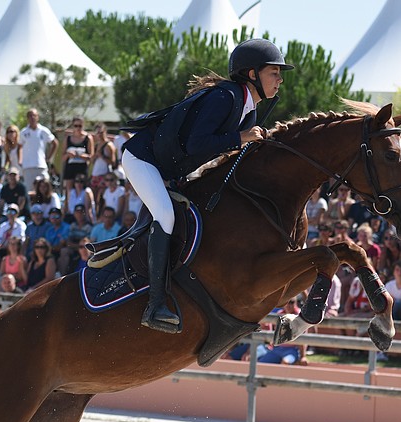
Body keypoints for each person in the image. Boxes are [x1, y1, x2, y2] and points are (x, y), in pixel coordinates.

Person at [121, 38, 294, 333]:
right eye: (273, 73)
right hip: (143, 159)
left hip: (173, 168)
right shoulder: (225, 98)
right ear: (252, 74)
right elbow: (196, 143)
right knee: (166, 215)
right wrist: (242, 138)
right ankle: (155, 304)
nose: (279, 80)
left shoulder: (248, 110)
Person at [19, 108, 58, 186]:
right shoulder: (23, 132)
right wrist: (20, 160)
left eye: (34, 115)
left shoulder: (44, 131)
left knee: (44, 189)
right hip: (28, 166)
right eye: (30, 116)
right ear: (27, 118)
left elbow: (55, 143)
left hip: (41, 165)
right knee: (29, 190)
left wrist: (49, 158)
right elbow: (19, 146)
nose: (32, 117)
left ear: (37, 117)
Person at [62, 116, 93, 197]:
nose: (78, 128)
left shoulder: (88, 138)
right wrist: (69, 154)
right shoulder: (68, 138)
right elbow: (63, 157)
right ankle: (68, 207)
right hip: (70, 168)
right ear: (72, 126)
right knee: (69, 191)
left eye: (80, 126)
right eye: (76, 126)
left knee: (82, 191)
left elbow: (91, 157)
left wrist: (80, 155)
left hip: (82, 168)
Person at [90, 122, 117, 188]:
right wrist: (95, 156)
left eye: (101, 132)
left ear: (105, 132)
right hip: (95, 174)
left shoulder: (109, 145)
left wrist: (102, 156)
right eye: (97, 133)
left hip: (105, 175)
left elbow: (113, 163)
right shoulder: (96, 145)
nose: (99, 135)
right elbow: (92, 161)